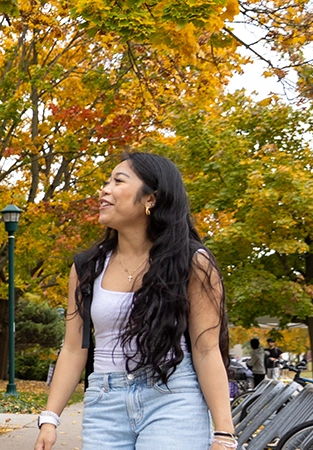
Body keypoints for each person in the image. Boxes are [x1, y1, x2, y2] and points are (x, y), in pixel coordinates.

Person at [35, 153, 238, 450]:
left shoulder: (192, 263)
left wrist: (224, 433)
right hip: (105, 402)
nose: (104, 190)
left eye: (118, 181)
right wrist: (50, 418)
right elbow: (72, 348)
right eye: (106, 181)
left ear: (151, 199)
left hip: (173, 396)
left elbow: (206, 350)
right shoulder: (86, 268)